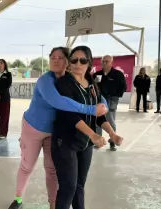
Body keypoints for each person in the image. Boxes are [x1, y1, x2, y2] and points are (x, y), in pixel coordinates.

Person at [8, 47, 109, 209]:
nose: (55, 60)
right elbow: (58, 101)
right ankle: (18, 198)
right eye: (52, 57)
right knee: (27, 166)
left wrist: (104, 106)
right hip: (33, 128)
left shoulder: (71, 80)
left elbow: (99, 97)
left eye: (60, 57)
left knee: (52, 170)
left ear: (67, 62)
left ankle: (53, 205)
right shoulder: (45, 80)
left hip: (53, 132)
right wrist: (91, 109)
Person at [52, 45, 124, 209]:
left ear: (89, 63)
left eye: (83, 60)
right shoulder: (63, 83)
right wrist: (93, 135)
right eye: (74, 60)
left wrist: (112, 133)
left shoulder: (92, 84)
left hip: (85, 143)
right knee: (68, 188)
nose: (78, 63)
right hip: (66, 142)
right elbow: (69, 115)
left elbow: (99, 113)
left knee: (79, 186)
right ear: (69, 62)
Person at [92, 55, 127, 151]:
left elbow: (123, 87)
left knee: (110, 120)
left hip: (112, 100)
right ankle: (98, 140)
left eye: (107, 61)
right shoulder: (97, 75)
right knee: (98, 119)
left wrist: (115, 96)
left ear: (112, 62)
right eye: (103, 61)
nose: (104, 63)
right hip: (99, 100)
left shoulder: (118, 74)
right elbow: (92, 86)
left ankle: (113, 141)